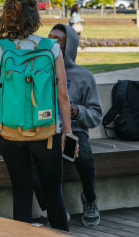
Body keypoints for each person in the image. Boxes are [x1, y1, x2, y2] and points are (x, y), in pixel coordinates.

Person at [0, 0, 73, 231]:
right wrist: (68, 132)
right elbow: (62, 94)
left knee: (21, 193)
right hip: (47, 132)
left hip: (9, 132)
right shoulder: (51, 48)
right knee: (53, 195)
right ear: (35, 16)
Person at [49, 23, 102, 227]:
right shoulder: (42, 70)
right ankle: (56, 206)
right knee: (41, 162)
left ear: (69, 45)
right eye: (50, 37)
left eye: (58, 39)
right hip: (47, 130)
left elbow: (96, 114)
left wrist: (77, 111)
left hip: (74, 131)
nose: (52, 41)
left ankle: (90, 199)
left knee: (84, 158)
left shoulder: (84, 76)